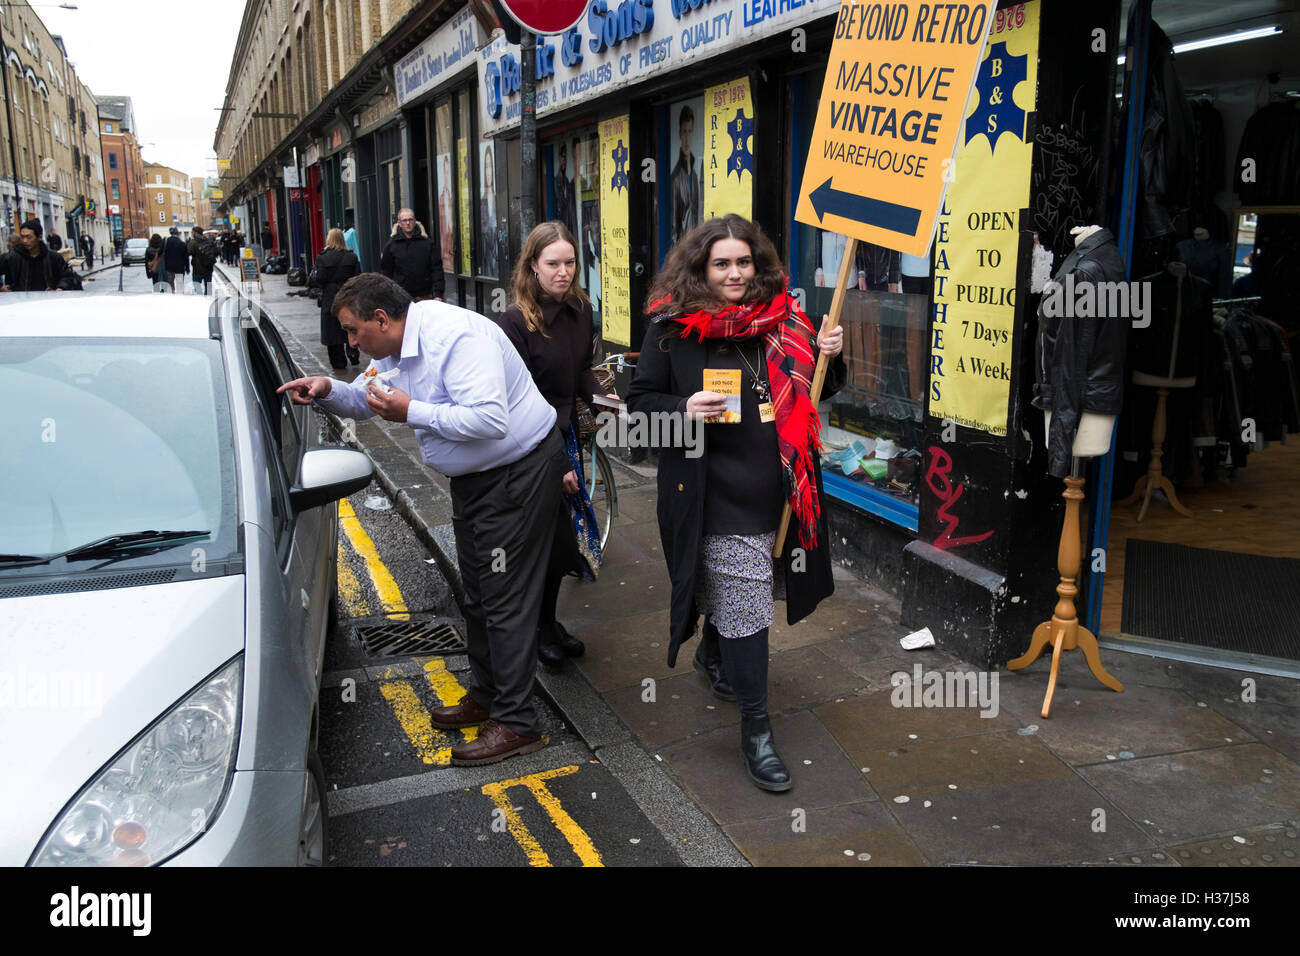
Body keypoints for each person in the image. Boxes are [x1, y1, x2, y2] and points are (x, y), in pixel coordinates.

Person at [277, 274, 566, 766]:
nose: (349, 342)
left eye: (352, 331)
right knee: (476, 591)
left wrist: (413, 410)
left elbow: (489, 420)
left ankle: (518, 722)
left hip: (518, 472)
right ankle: (488, 694)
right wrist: (327, 389)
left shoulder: (457, 338)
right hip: (477, 479)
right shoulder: (393, 348)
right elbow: (368, 399)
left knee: (505, 596)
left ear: (381, 319)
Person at [626, 214, 845, 793]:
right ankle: (757, 731)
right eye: (721, 263)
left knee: (747, 590)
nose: (734, 273)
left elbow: (821, 388)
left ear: (759, 265)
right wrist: (680, 410)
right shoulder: (670, 330)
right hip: (711, 495)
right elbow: (639, 407)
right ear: (700, 268)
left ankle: (712, 655)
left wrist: (830, 354)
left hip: (782, 488)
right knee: (749, 606)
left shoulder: (787, 319)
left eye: (743, 262)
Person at [500, 221, 619, 670]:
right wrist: (556, 462)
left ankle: (547, 624)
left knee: (560, 540)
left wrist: (607, 399)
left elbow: (582, 371)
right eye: (553, 264)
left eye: (570, 262)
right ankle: (536, 630)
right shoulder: (513, 323)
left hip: (564, 436)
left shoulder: (580, 309)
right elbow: (516, 402)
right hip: (531, 443)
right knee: (544, 540)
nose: (564, 272)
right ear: (533, 265)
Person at [311, 227, 362, 370]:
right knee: (350, 326)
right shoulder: (351, 257)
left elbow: (319, 279)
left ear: (329, 239)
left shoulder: (322, 257)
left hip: (330, 297)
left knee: (332, 330)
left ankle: (338, 362)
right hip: (349, 297)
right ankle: (353, 352)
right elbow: (358, 277)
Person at [380, 208, 445, 300]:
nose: (407, 223)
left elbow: (437, 269)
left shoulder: (427, 243)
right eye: (404, 220)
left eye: (410, 220)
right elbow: (386, 273)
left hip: (426, 296)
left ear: (415, 221)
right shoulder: (391, 246)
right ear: (399, 223)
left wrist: (438, 294)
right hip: (401, 298)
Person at [0, 218, 79, 291]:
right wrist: (1, 287)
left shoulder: (53, 257)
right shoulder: (12, 257)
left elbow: (67, 276)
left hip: (48, 301)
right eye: (22, 237)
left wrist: (61, 288)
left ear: (39, 237)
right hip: (20, 302)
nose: (24, 241)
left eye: (28, 237)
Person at [671, 106, 702, 243]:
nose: (687, 138)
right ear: (679, 134)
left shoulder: (695, 174)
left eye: (689, 131)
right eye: (684, 132)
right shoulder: (676, 178)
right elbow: (674, 225)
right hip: (684, 249)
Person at [480, 150, 498, 276]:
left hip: (497, 252)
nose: (488, 172)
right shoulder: (481, 201)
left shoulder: (499, 197)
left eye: (490, 166)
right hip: (487, 252)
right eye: (486, 167)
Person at [553, 143, 577, 237]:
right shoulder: (556, 181)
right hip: (560, 221)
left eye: (565, 157)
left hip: (568, 220)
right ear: (558, 158)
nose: (564, 160)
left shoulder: (567, 181)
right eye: (562, 156)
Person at [187, 226, 217, 295]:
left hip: (198, 268)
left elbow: (188, 252)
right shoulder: (208, 241)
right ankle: (208, 298)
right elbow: (216, 252)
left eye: (192, 232)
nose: (192, 234)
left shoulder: (193, 242)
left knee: (196, 284)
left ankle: (200, 298)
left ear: (196, 233)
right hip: (209, 267)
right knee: (208, 285)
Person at [162, 226, 188, 292]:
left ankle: (172, 297)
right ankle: (180, 297)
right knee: (180, 285)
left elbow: (161, 253)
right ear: (177, 233)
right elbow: (186, 257)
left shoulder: (166, 242)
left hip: (169, 267)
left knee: (170, 284)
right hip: (180, 267)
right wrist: (187, 268)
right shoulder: (182, 243)